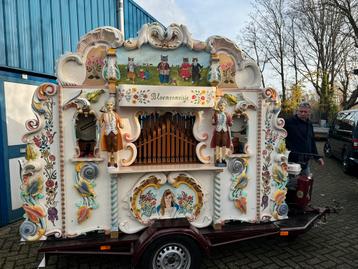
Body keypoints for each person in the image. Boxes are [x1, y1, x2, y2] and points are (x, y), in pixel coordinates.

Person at [284, 102, 324, 176]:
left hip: (305, 162)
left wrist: (317, 157)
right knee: (292, 184)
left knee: (306, 183)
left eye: (305, 112)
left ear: (309, 113)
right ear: (297, 111)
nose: (302, 114)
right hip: (292, 161)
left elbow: (311, 141)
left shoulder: (310, 124)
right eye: (301, 111)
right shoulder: (288, 122)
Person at [100, 97, 123, 168]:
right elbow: (100, 122)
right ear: (106, 106)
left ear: (113, 106)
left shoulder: (116, 115)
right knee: (109, 147)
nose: (109, 106)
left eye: (110, 105)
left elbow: (120, 123)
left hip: (115, 132)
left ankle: (116, 161)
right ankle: (109, 161)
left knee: (115, 147)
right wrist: (100, 122)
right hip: (107, 133)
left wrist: (121, 125)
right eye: (108, 105)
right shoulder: (104, 115)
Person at [210, 99, 233, 166]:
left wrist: (231, 122)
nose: (222, 107)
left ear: (225, 107)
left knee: (224, 145)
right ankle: (217, 159)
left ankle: (223, 158)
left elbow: (230, 123)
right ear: (218, 106)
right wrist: (213, 120)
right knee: (217, 145)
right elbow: (213, 123)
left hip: (225, 130)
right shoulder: (216, 114)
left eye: (223, 106)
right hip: (218, 130)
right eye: (220, 105)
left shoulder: (227, 114)